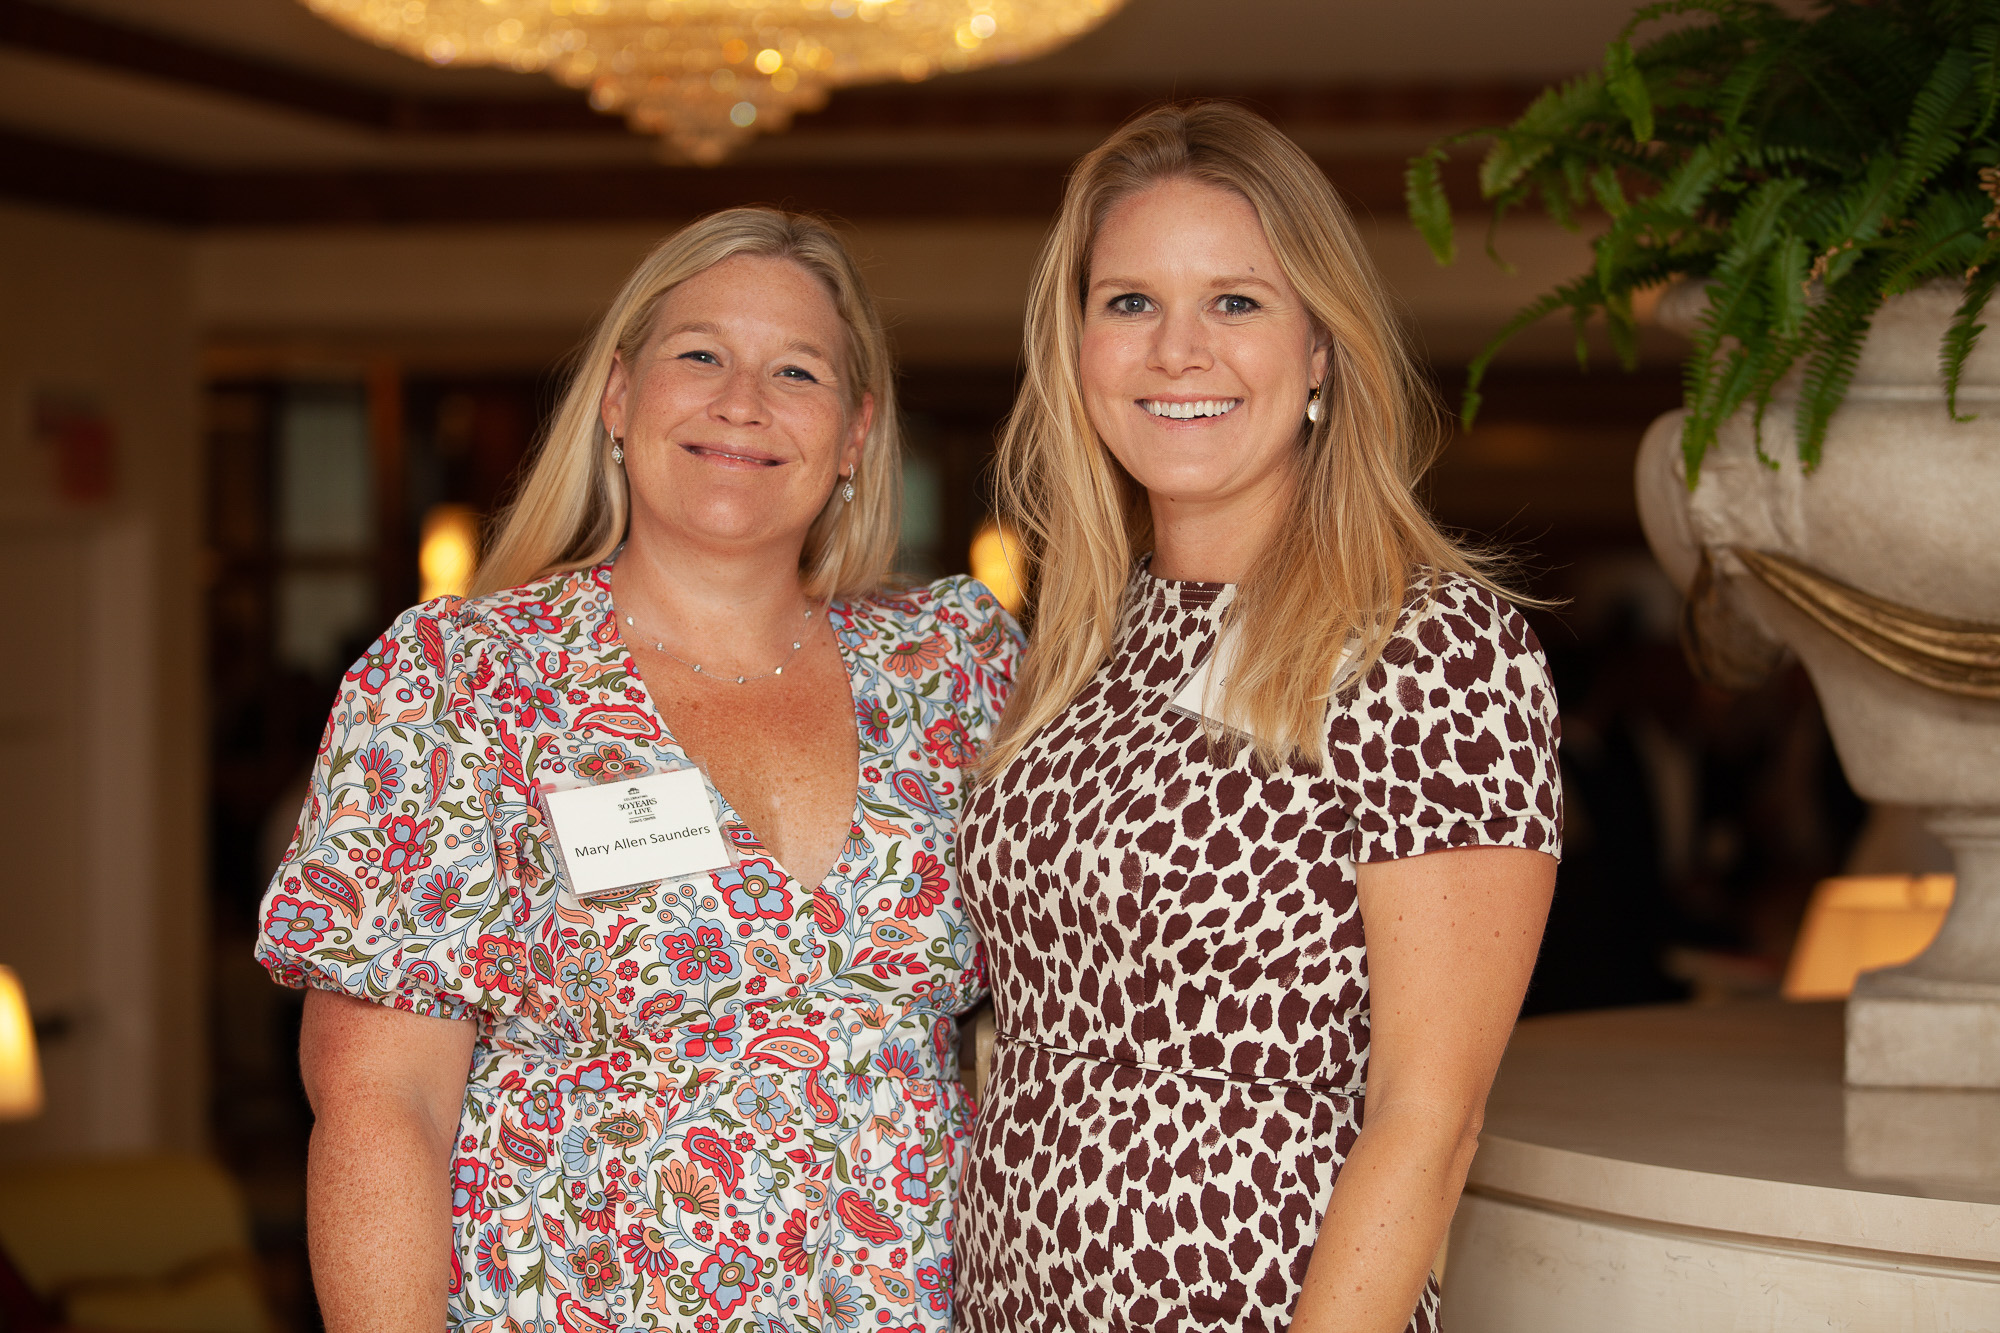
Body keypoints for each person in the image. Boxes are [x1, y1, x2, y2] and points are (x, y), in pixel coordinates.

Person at [255, 207, 1020, 1333]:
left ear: (856, 432)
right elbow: (383, 1104)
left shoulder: (955, 667)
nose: (742, 401)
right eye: (700, 355)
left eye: (796, 371)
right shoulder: (462, 683)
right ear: (617, 396)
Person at [955, 104, 1562, 1333]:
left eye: (1234, 302)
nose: (1177, 351)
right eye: (1130, 302)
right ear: (1076, 345)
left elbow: (1429, 1117)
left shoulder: (1429, 648)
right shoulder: (1083, 640)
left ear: (1320, 348)